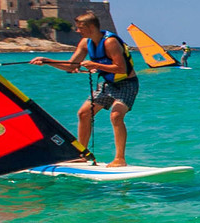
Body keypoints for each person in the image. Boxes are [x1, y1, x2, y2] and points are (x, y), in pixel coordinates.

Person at [30, 12, 138, 166]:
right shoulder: (85, 43)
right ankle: (82, 154)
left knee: (116, 116)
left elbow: (121, 68)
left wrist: (95, 65)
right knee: (84, 113)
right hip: (108, 83)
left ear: (91, 27)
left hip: (127, 83)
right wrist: (47, 61)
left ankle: (120, 159)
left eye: (80, 28)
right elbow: (71, 66)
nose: (77, 31)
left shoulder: (110, 42)